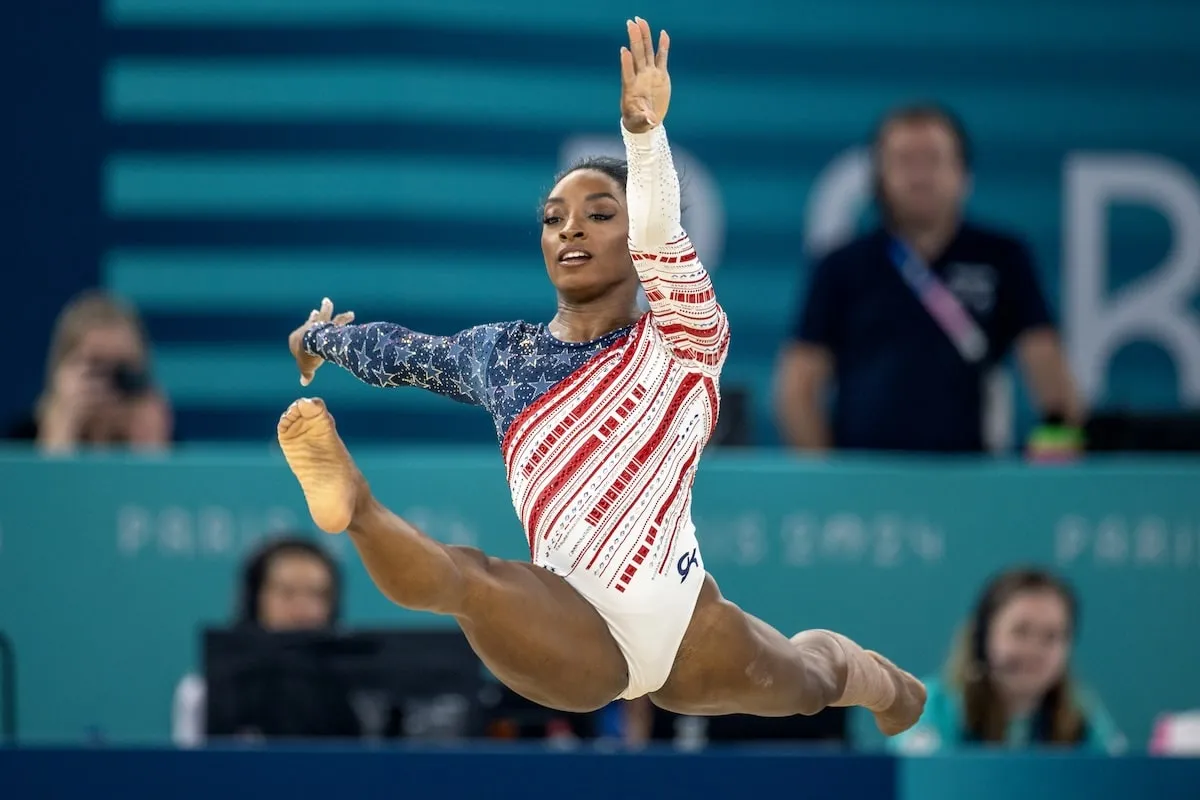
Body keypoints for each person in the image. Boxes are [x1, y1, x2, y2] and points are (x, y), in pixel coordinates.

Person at [277, 18, 925, 733]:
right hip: (570, 617)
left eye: (598, 213)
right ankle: (355, 508)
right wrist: (320, 338)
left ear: (632, 229)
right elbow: (404, 353)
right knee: (469, 580)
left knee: (811, 682)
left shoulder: (684, 338)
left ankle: (878, 678)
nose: (571, 229)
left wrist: (644, 137)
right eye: (554, 219)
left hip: (686, 621)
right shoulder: (504, 355)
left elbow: (660, 235)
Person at [775, 103, 1081, 454]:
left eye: (933, 159)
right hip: (865, 486)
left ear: (963, 174)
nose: (919, 176)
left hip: (974, 481)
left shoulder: (1002, 258)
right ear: (878, 177)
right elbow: (797, 389)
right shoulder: (842, 266)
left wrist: (1048, 474)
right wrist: (827, 482)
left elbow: (1051, 378)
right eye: (904, 161)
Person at [889, 567, 1122, 754]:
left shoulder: (1083, 717)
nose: (1034, 650)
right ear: (983, 637)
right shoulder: (930, 706)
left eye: (1051, 636)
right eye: (1020, 631)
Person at [172, 535, 341, 747]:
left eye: (318, 594)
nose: (303, 608)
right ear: (255, 598)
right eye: (287, 593)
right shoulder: (201, 691)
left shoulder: (359, 695)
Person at [6, 289, 172, 452]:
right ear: (62, 370)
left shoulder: (165, 445)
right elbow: (44, 479)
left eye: (122, 369)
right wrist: (60, 434)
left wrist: (150, 445)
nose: (109, 382)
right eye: (95, 367)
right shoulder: (19, 443)